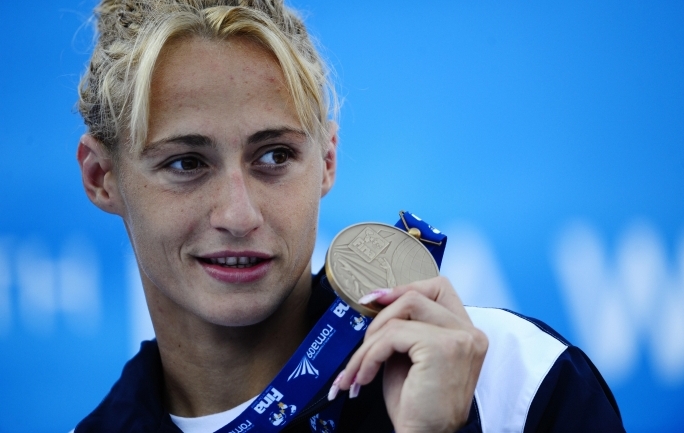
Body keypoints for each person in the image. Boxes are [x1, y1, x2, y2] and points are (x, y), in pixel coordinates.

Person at [73, 1, 625, 432]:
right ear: (102, 177)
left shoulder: (513, 380)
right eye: (186, 163)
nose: (238, 215)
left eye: (275, 156)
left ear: (327, 161)